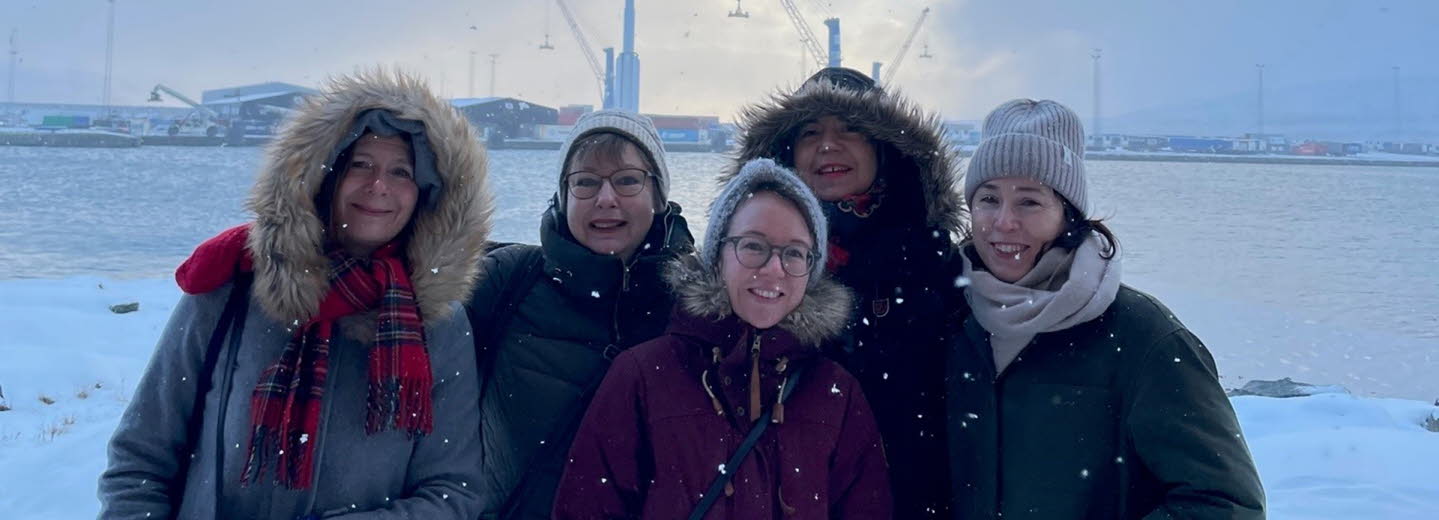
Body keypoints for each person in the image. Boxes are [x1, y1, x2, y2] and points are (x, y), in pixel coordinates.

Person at [98, 70, 491, 519]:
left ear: (425, 196)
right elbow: (141, 456)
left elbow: (452, 491)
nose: (378, 185)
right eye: (359, 164)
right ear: (323, 178)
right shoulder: (234, 286)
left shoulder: (435, 321)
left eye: (400, 171)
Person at [946, 99, 1266, 519]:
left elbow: (1226, 503)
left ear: (1068, 214)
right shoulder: (946, 318)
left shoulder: (1144, 338)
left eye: (1029, 202)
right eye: (989, 199)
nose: (1003, 221)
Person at [554, 158, 891, 519]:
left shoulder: (836, 393)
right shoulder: (642, 376)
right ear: (717, 257)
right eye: (753, 246)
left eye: (794, 253)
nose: (774, 269)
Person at [730, 66, 966, 516]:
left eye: (851, 129)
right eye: (811, 131)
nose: (827, 145)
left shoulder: (933, 264)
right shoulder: (750, 261)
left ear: (884, 146)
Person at [466, 110, 695, 520]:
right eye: (586, 182)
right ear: (562, 196)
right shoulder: (508, 280)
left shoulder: (696, 308)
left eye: (627, 180)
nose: (605, 198)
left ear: (659, 196)